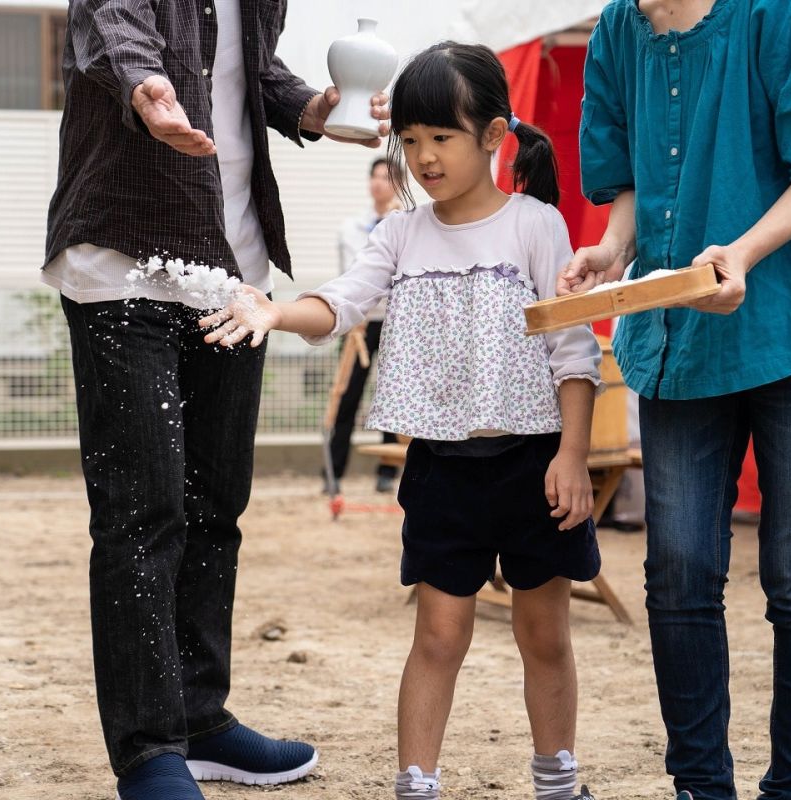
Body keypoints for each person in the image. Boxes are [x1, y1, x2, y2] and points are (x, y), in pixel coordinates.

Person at [203, 42, 601, 800]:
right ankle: (416, 785)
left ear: (492, 136)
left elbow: (571, 352)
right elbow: (341, 303)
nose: (423, 157)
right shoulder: (401, 234)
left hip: (535, 466)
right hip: (442, 470)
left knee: (544, 635)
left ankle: (558, 781)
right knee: (438, 637)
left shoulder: (536, 225)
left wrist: (574, 455)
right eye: (409, 141)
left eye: (440, 138)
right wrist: (275, 310)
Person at [39, 2, 389, 798]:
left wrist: (314, 108)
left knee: (214, 503)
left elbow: (249, 71)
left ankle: (200, 719)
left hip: (234, 269)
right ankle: (149, 750)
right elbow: (113, 26)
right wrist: (149, 89)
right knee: (142, 511)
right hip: (122, 259)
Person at [563, 1, 791, 798]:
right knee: (677, 569)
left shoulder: (785, 9)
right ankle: (699, 788)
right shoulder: (616, 29)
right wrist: (611, 248)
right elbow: (630, 184)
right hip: (684, 336)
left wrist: (738, 254)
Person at [327, 157, 401, 494]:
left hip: (396, 323)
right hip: (359, 324)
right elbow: (353, 273)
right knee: (347, 396)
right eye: (375, 177)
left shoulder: (405, 223)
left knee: (392, 396)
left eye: (386, 178)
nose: (379, 183)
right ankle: (333, 472)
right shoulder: (351, 227)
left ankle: (388, 470)